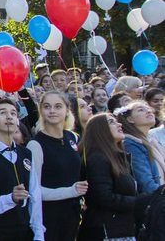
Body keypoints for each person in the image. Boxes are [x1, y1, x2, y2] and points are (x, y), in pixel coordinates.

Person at [26, 91, 87, 241]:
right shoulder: (36, 144)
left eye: (58, 106)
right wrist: (70, 191)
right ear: (41, 110)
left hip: (72, 215)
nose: (52, 111)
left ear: (67, 110)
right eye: (47, 106)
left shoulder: (72, 137)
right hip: (50, 218)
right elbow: (34, 191)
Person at [0, 98, 44, 240]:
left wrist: (38, 232)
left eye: (13, 113)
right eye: (3, 113)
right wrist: (10, 198)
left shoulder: (26, 153)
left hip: (25, 231)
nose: (9, 117)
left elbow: (34, 194)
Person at [77, 113, 145, 241]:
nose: (119, 124)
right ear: (99, 130)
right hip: (105, 231)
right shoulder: (97, 158)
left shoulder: (117, 157)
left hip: (122, 229)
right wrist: (139, 202)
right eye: (112, 122)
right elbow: (103, 197)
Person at [117, 101, 165, 193]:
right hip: (154, 200)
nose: (148, 111)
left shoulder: (152, 141)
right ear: (130, 119)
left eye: (148, 109)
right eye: (141, 110)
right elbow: (145, 184)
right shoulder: (131, 144)